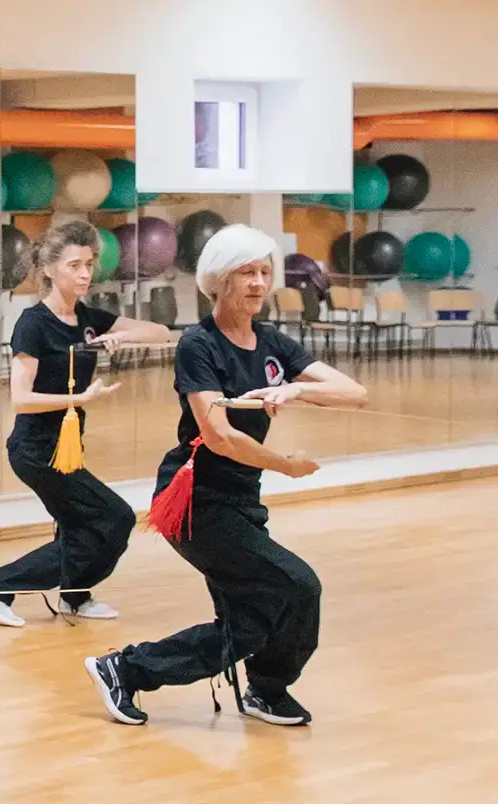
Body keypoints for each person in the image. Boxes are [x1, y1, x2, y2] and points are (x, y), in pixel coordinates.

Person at [85, 224, 364, 727]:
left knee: (253, 623)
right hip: (196, 503)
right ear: (219, 280)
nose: (258, 283)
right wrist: (285, 465)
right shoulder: (200, 345)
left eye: (264, 272)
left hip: (240, 500)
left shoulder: (273, 343)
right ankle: (266, 686)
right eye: (245, 272)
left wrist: (297, 391)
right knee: (298, 586)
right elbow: (218, 436)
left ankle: (126, 670)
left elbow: (354, 393)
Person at [0, 222, 171, 627]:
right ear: (49, 269)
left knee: (77, 524)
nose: (84, 274)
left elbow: (161, 332)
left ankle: (75, 597)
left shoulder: (88, 319)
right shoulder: (33, 324)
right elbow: (21, 400)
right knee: (114, 518)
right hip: (35, 451)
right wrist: (79, 399)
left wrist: (120, 338)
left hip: (65, 448)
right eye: (74, 265)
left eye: (89, 265)